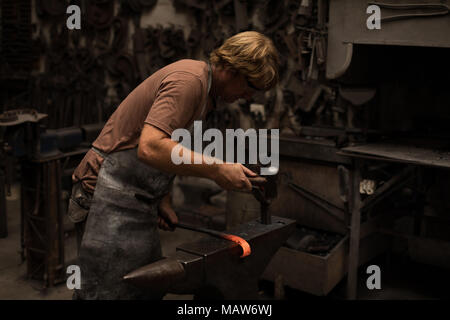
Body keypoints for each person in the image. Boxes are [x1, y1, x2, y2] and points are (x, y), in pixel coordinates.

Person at [67, 31, 279, 299]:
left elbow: (169, 150)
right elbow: (150, 146)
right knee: (104, 292)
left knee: (139, 290)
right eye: (250, 86)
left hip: (134, 198)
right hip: (104, 193)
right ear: (233, 68)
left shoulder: (206, 96)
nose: (249, 96)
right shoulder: (189, 82)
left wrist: (163, 199)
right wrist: (217, 169)